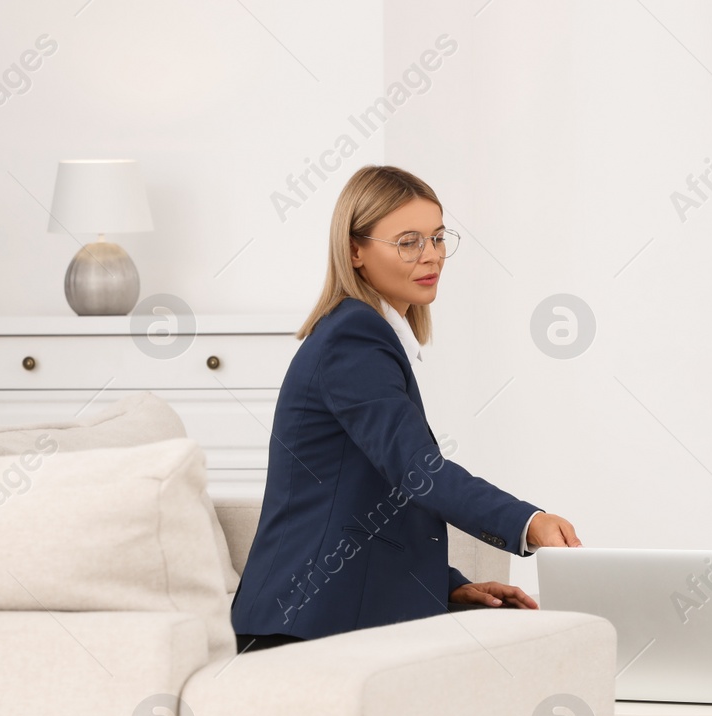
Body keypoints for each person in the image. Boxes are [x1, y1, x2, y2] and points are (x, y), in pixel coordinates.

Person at [231, 165, 580, 652]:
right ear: (355, 250)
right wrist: (527, 521)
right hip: (303, 627)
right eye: (409, 241)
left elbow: (371, 496)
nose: (431, 256)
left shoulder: (364, 334)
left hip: (321, 616)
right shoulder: (353, 339)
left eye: (438, 238)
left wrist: (448, 582)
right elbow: (417, 471)